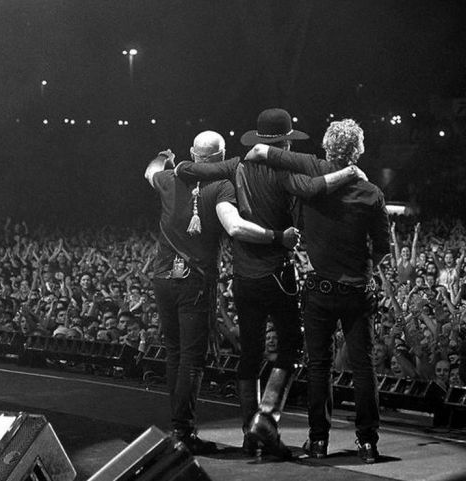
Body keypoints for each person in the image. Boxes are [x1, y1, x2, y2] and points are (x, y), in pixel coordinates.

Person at [171, 108, 365, 458]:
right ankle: (267, 416)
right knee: (290, 348)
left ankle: (250, 433)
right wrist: (350, 172)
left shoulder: (235, 166)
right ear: (284, 142)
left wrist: (181, 165)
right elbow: (313, 187)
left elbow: (189, 170)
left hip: (243, 278)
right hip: (276, 274)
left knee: (250, 353)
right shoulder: (282, 170)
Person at [143, 130, 298, 455]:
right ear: (221, 156)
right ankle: (183, 433)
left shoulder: (169, 178)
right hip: (195, 281)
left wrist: (164, 157)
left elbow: (149, 171)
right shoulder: (222, 185)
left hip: (164, 276)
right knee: (191, 359)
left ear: (192, 154)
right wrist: (277, 236)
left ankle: (179, 429)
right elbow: (235, 227)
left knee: (174, 353)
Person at [246, 118, 390, 464]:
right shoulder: (372, 193)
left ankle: (319, 441)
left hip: (320, 288)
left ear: (327, 147)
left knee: (320, 366)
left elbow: (261, 152)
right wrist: (361, 269)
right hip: (356, 290)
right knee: (363, 366)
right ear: (358, 150)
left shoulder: (311, 173)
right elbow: (383, 248)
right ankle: (368, 443)